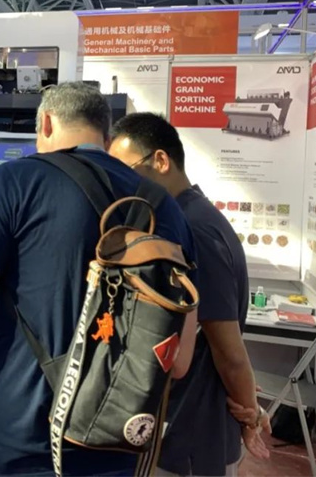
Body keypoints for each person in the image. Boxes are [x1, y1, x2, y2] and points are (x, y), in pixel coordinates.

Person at [0, 83, 198, 477]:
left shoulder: (15, 181)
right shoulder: (165, 208)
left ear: (47, 123)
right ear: (106, 138)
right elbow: (179, 360)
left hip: (9, 451)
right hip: (111, 454)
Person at [108, 112, 271, 477]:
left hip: (192, 434)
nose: (123, 185)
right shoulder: (191, 215)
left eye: (127, 171)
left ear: (160, 161)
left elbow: (227, 348)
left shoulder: (192, 228)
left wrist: (251, 413)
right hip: (187, 423)